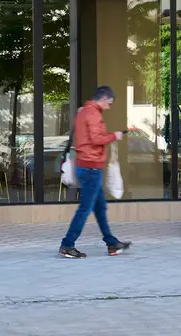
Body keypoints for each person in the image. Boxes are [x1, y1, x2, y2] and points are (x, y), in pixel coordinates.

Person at [59, 86, 132, 259]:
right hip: (91, 166)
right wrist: (114, 136)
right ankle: (67, 245)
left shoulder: (84, 111)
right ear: (104, 98)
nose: (109, 107)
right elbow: (96, 139)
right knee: (85, 209)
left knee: (99, 207)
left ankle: (111, 243)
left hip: (89, 166)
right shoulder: (93, 113)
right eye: (110, 103)